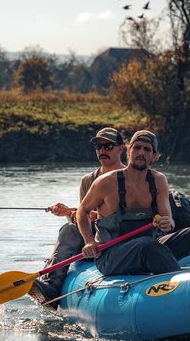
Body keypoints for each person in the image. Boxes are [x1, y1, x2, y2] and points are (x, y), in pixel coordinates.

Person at [76, 130, 190, 276]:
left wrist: (168, 223)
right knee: (146, 245)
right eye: (137, 147)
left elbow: (168, 221)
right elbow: (82, 210)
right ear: (128, 151)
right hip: (111, 256)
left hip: (150, 248)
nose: (141, 153)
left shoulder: (159, 181)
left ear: (154, 156)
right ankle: (178, 284)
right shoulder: (106, 182)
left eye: (147, 149)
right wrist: (89, 241)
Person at [29, 127, 126, 305]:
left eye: (108, 146)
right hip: (94, 241)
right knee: (69, 229)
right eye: (98, 146)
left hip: (120, 237)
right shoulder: (88, 180)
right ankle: (52, 285)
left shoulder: (131, 178)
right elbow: (85, 218)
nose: (102, 150)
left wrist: (76, 213)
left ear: (121, 148)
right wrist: (70, 213)